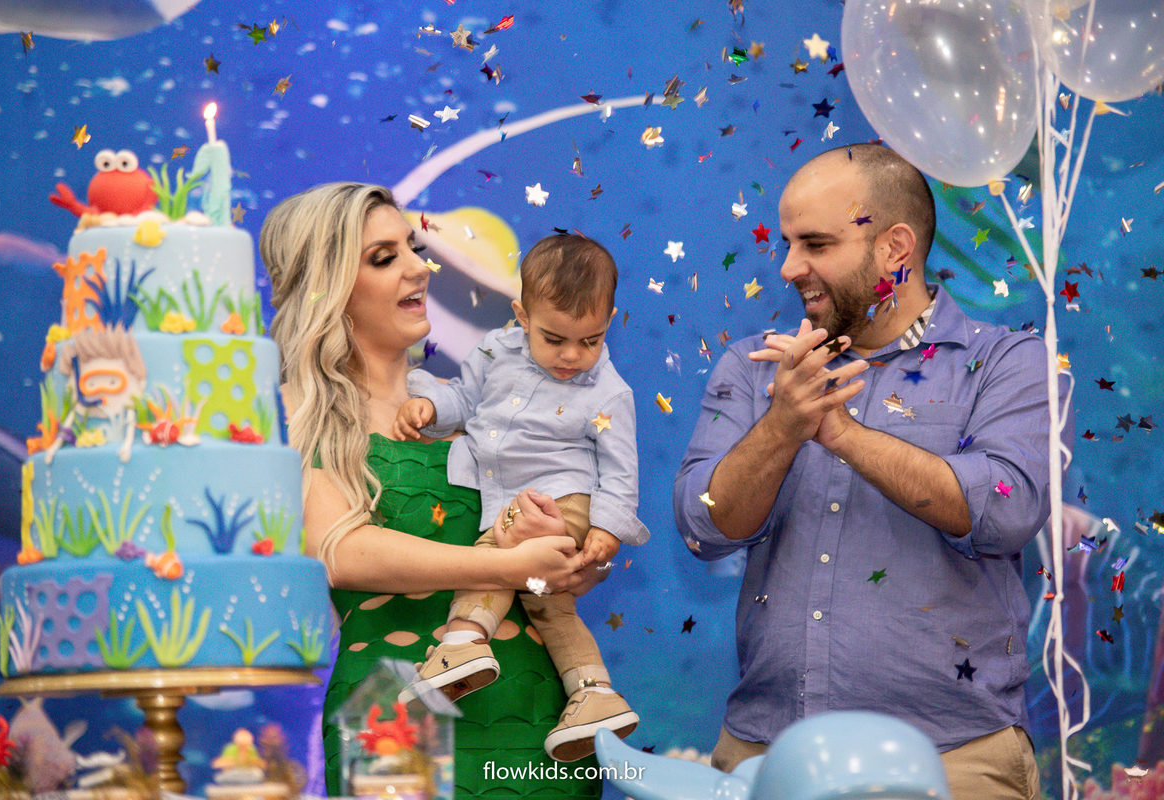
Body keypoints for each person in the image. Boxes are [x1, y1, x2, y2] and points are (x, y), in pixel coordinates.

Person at [673, 143, 1071, 800]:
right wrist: (781, 426)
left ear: (895, 249)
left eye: (815, 244)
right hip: (764, 754)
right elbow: (703, 526)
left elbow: (1007, 510)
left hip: (953, 760)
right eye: (788, 243)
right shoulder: (754, 366)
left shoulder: (1008, 363)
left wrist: (843, 435)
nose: (788, 267)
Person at [260, 182, 603, 798]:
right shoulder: (295, 410)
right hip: (397, 726)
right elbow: (340, 552)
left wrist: (566, 556)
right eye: (383, 257)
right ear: (327, 286)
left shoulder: (474, 402)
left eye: (413, 249)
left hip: (538, 725)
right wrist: (507, 566)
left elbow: (545, 537)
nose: (419, 268)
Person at [394, 233, 647, 762]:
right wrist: (430, 408)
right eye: (554, 338)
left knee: (497, 553)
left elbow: (621, 469)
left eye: (591, 340)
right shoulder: (495, 351)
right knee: (546, 601)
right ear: (522, 316)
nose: (572, 355)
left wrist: (607, 527)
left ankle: (462, 641)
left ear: (609, 321)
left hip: (563, 500)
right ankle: (594, 693)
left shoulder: (608, 392)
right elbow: (465, 399)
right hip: (510, 496)